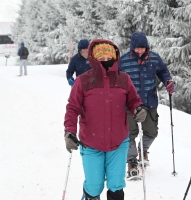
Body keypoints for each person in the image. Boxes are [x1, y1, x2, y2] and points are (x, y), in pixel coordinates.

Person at [64, 39, 147, 200]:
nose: (105, 62)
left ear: (115, 58)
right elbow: (73, 108)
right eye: (100, 59)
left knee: (116, 185)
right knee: (94, 186)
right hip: (91, 143)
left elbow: (133, 100)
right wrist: (69, 131)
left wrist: (138, 108)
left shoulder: (123, 79)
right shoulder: (83, 80)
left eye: (108, 59)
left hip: (118, 142)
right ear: (94, 60)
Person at [118, 31, 175, 177]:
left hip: (149, 101)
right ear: (132, 48)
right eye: (137, 48)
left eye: (143, 48)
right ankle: (132, 161)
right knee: (130, 133)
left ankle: (142, 151)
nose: (140, 50)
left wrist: (168, 81)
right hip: (129, 104)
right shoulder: (123, 61)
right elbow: (115, 79)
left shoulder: (154, 58)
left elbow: (163, 72)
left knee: (152, 132)